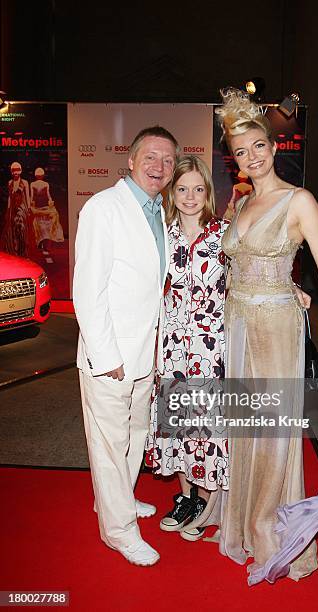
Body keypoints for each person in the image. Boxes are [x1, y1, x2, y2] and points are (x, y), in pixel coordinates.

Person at [215, 88, 318, 582]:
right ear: (235, 159)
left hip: (274, 329)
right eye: (241, 151)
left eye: (258, 146)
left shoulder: (298, 200)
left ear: (274, 146)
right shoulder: (239, 203)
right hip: (238, 324)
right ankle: (245, 518)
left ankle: (267, 525)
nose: (252, 157)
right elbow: (231, 266)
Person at [73, 126, 178, 567]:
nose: (159, 167)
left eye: (168, 160)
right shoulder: (104, 208)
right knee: (109, 442)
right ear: (131, 161)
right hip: (111, 357)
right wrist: (106, 355)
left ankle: (115, 500)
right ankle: (119, 531)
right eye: (151, 157)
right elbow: (87, 289)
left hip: (145, 355)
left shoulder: (160, 213)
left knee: (134, 435)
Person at [148, 154, 230, 541]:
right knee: (178, 423)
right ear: (172, 191)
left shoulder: (225, 235)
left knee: (207, 425)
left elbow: (252, 276)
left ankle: (206, 503)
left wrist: (292, 288)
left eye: (198, 189)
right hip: (174, 348)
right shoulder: (163, 234)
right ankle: (185, 497)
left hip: (212, 350)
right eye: (182, 189)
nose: (190, 196)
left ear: (208, 193)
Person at [30, 167, 64, 252]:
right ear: (42, 175)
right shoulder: (45, 184)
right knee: (44, 225)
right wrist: (51, 202)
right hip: (41, 207)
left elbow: (32, 196)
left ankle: (41, 242)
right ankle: (41, 242)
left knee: (39, 225)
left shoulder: (33, 184)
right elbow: (48, 195)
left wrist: (30, 204)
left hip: (39, 207)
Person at [0, 161, 30, 257]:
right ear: (11, 172)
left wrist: (28, 208)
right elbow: (9, 197)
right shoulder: (10, 183)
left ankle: (22, 253)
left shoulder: (24, 182)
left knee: (21, 229)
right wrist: (8, 209)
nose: (16, 172)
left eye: (17, 170)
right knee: (12, 230)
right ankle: (15, 252)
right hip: (12, 210)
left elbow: (27, 196)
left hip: (22, 209)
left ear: (20, 171)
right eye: (14, 170)